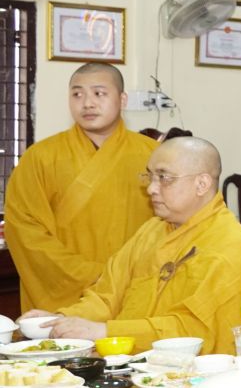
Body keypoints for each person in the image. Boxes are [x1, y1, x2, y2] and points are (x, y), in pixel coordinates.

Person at [28, 137, 241, 353]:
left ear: (201, 184)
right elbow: (106, 296)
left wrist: (105, 332)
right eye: (150, 177)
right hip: (130, 365)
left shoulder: (231, 246)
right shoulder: (150, 231)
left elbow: (196, 331)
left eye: (164, 178)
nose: (151, 188)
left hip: (198, 377)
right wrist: (61, 321)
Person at [5, 64, 158, 311]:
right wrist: (91, 275)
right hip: (65, 291)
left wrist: (130, 274)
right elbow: (25, 229)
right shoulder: (40, 157)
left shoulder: (154, 155)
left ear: (122, 99)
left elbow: (172, 223)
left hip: (134, 286)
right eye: (77, 94)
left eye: (99, 93)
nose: (87, 103)